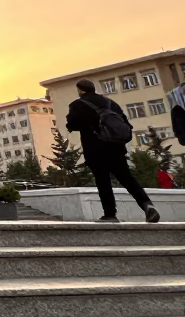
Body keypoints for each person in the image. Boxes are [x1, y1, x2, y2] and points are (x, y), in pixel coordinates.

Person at [66, 78, 159, 223]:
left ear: (80, 90)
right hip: (116, 148)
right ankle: (147, 205)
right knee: (127, 179)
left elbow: (71, 124)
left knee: (103, 181)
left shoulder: (77, 104)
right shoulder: (110, 103)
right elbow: (125, 123)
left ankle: (110, 214)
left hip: (95, 148)